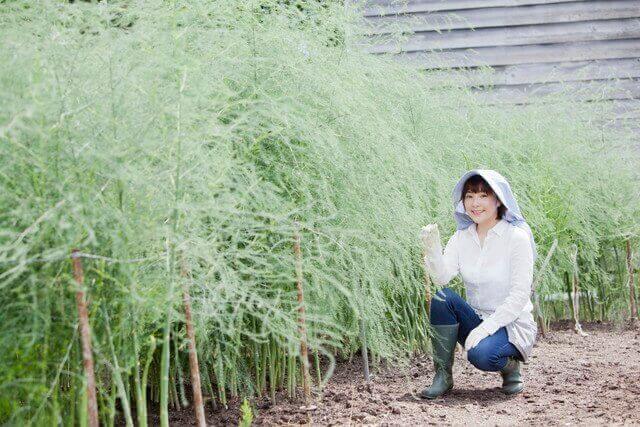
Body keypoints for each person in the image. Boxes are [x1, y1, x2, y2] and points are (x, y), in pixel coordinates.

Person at [419, 169, 537, 399]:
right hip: (477, 318)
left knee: (482, 356)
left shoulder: (516, 238)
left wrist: (485, 329)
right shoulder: (461, 238)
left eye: (483, 196)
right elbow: (442, 278)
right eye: (470, 196)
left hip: (511, 324)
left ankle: (511, 367)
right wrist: (433, 250)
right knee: (443, 298)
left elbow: (519, 296)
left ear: (499, 200)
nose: (475, 203)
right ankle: (442, 376)